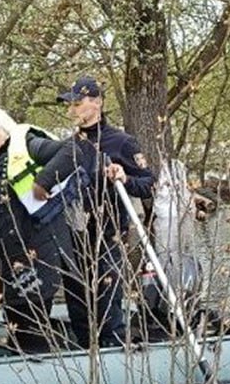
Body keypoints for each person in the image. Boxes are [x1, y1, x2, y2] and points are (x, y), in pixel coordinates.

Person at [33, 75, 155, 348]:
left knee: (108, 301)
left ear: (97, 103)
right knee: (77, 302)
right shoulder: (70, 145)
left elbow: (150, 184)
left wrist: (125, 178)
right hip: (74, 235)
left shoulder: (122, 142)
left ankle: (114, 352)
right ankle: (85, 354)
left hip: (108, 234)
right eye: (70, 105)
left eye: (77, 104)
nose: (71, 110)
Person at [0, 107, 74, 350]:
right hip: (8, 260)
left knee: (31, 323)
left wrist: (44, 182)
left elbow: (72, 151)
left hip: (37, 252)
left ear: (3, 131)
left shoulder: (28, 145)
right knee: (16, 322)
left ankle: (43, 370)